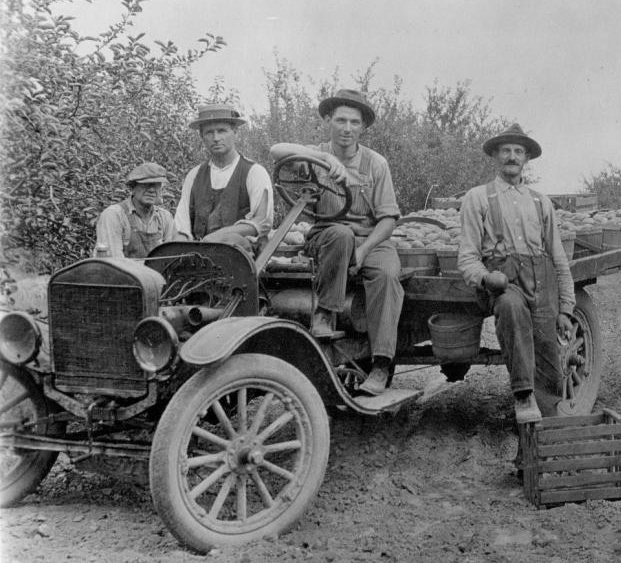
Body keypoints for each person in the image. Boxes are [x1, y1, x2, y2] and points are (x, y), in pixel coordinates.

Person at [270, 89, 403, 397]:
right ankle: (324, 313)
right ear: (328, 121)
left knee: (386, 274)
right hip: (325, 236)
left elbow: (388, 219)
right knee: (339, 234)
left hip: (368, 239)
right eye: (340, 120)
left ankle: (381, 364)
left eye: (354, 122)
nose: (346, 128)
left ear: (363, 127)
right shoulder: (313, 156)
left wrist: (364, 250)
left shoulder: (375, 164)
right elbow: (277, 149)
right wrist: (325, 157)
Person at [457, 123, 576, 424]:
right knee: (510, 306)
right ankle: (522, 394)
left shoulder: (541, 202)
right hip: (502, 285)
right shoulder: (478, 198)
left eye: (518, 151)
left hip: (540, 286)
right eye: (506, 150)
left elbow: (559, 258)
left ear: (526, 158)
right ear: (495, 155)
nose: (512, 156)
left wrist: (565, 308)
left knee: (549, 366)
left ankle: (538, 454)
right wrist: (485, 278)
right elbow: (468, 258)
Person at [174, 104, 273, 255]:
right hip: (200, 256)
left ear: (235, 132)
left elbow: (262, 222)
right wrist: (177, 249)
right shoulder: (194, 176)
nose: (216, 138)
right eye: (209, 132)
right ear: (201, 136)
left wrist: (219, 237)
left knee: (232, 242)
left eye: (222, 131)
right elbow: (182, 225)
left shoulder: (254, 172)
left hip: (242, 257)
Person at [94, 161, 178, 258]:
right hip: (121, 272)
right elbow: (113, 263)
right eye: (146, 185)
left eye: (156, 185)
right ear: (133, 188)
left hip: (155, 273)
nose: (151, 190)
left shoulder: (165, 217)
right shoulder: (114, 215)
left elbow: (170, 258)